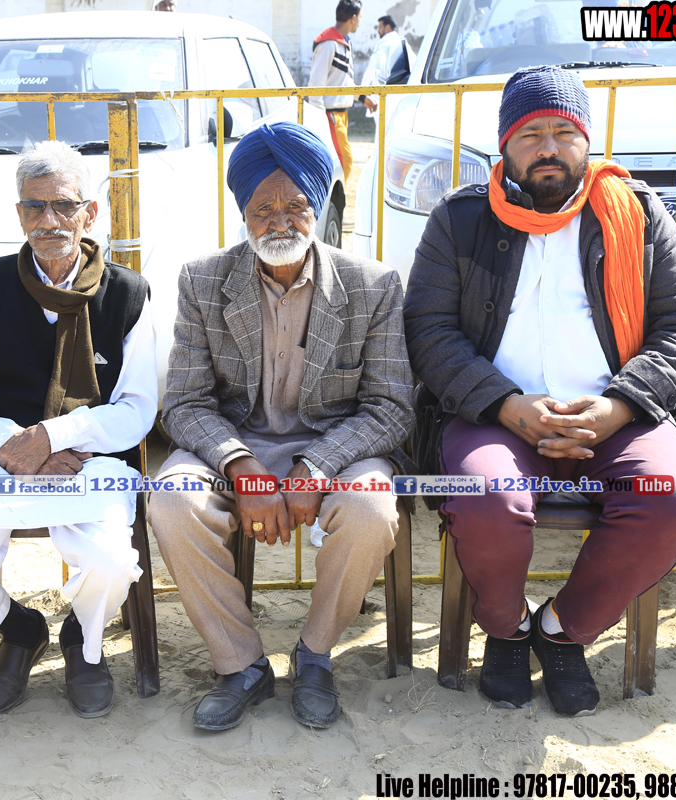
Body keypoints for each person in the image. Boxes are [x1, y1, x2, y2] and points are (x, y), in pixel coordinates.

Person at [404, 66, 676, 717]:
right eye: (530, 134)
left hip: (618, 413)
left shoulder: (637, 214)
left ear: (586, 140)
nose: (549, 148)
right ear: (505, 147)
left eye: (564, 132)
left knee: (671, 506)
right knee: (487, 498)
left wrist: (619, 406)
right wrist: (505, 405)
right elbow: (428, 331)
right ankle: (508, 629)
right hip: (493, 416)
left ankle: (561, 631)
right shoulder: (460, 219)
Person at [148, 121, 414, 731]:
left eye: (295, 205)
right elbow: (184, 403)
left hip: (337, 448)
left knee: (371, 511)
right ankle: (241, 664)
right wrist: (241, 466)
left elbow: (390, 407)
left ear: (317, 206)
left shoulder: (372, 285)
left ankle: (315, 654)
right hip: (233, 444)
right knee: (171, 502)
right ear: (243, 212)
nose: (279, 222)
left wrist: (316, 466)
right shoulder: (202, 279)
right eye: (263, 209)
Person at [0, 140, 155, 720]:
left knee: (111, 561)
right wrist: (18, 447)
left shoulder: (127, 294)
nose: (49, 220)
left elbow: (138, 409)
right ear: (19, 215)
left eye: (64, 205)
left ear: (90, 212)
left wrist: (54, 437)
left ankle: (82, 641)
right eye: (35, 207)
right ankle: (19, 631)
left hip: (88, 460)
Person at [307, 0, 374, 178]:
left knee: (338, 161)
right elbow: (315, 85)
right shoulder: (329, 44)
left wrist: (362, 98)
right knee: (345, 160)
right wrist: (319, 117)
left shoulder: (343, 42)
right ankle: (335, 195)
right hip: (330, 115)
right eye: (360, 17)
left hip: (340, 114)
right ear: (353, 18)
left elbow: (343, 81)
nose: (360, 21)